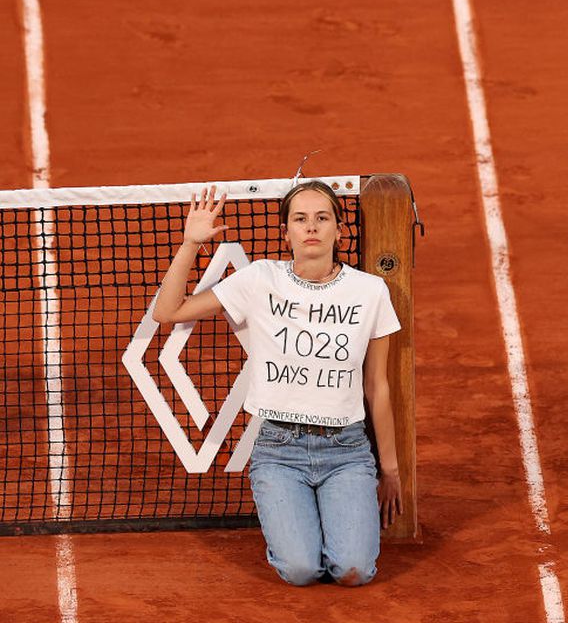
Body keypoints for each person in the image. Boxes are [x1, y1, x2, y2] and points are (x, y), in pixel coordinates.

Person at [154, 182, 403, 586]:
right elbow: (168, 312)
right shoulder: (260, 279)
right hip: (279, 451)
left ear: (339, 230)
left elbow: (378, 387)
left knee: (354, 572)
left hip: (347, 450)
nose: (312, 228)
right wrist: (189, 244)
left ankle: (333, 518)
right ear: (285, 233)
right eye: (300, 219)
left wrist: (389, 470)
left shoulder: (370, 291)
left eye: (322, 218)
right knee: (300, 570)